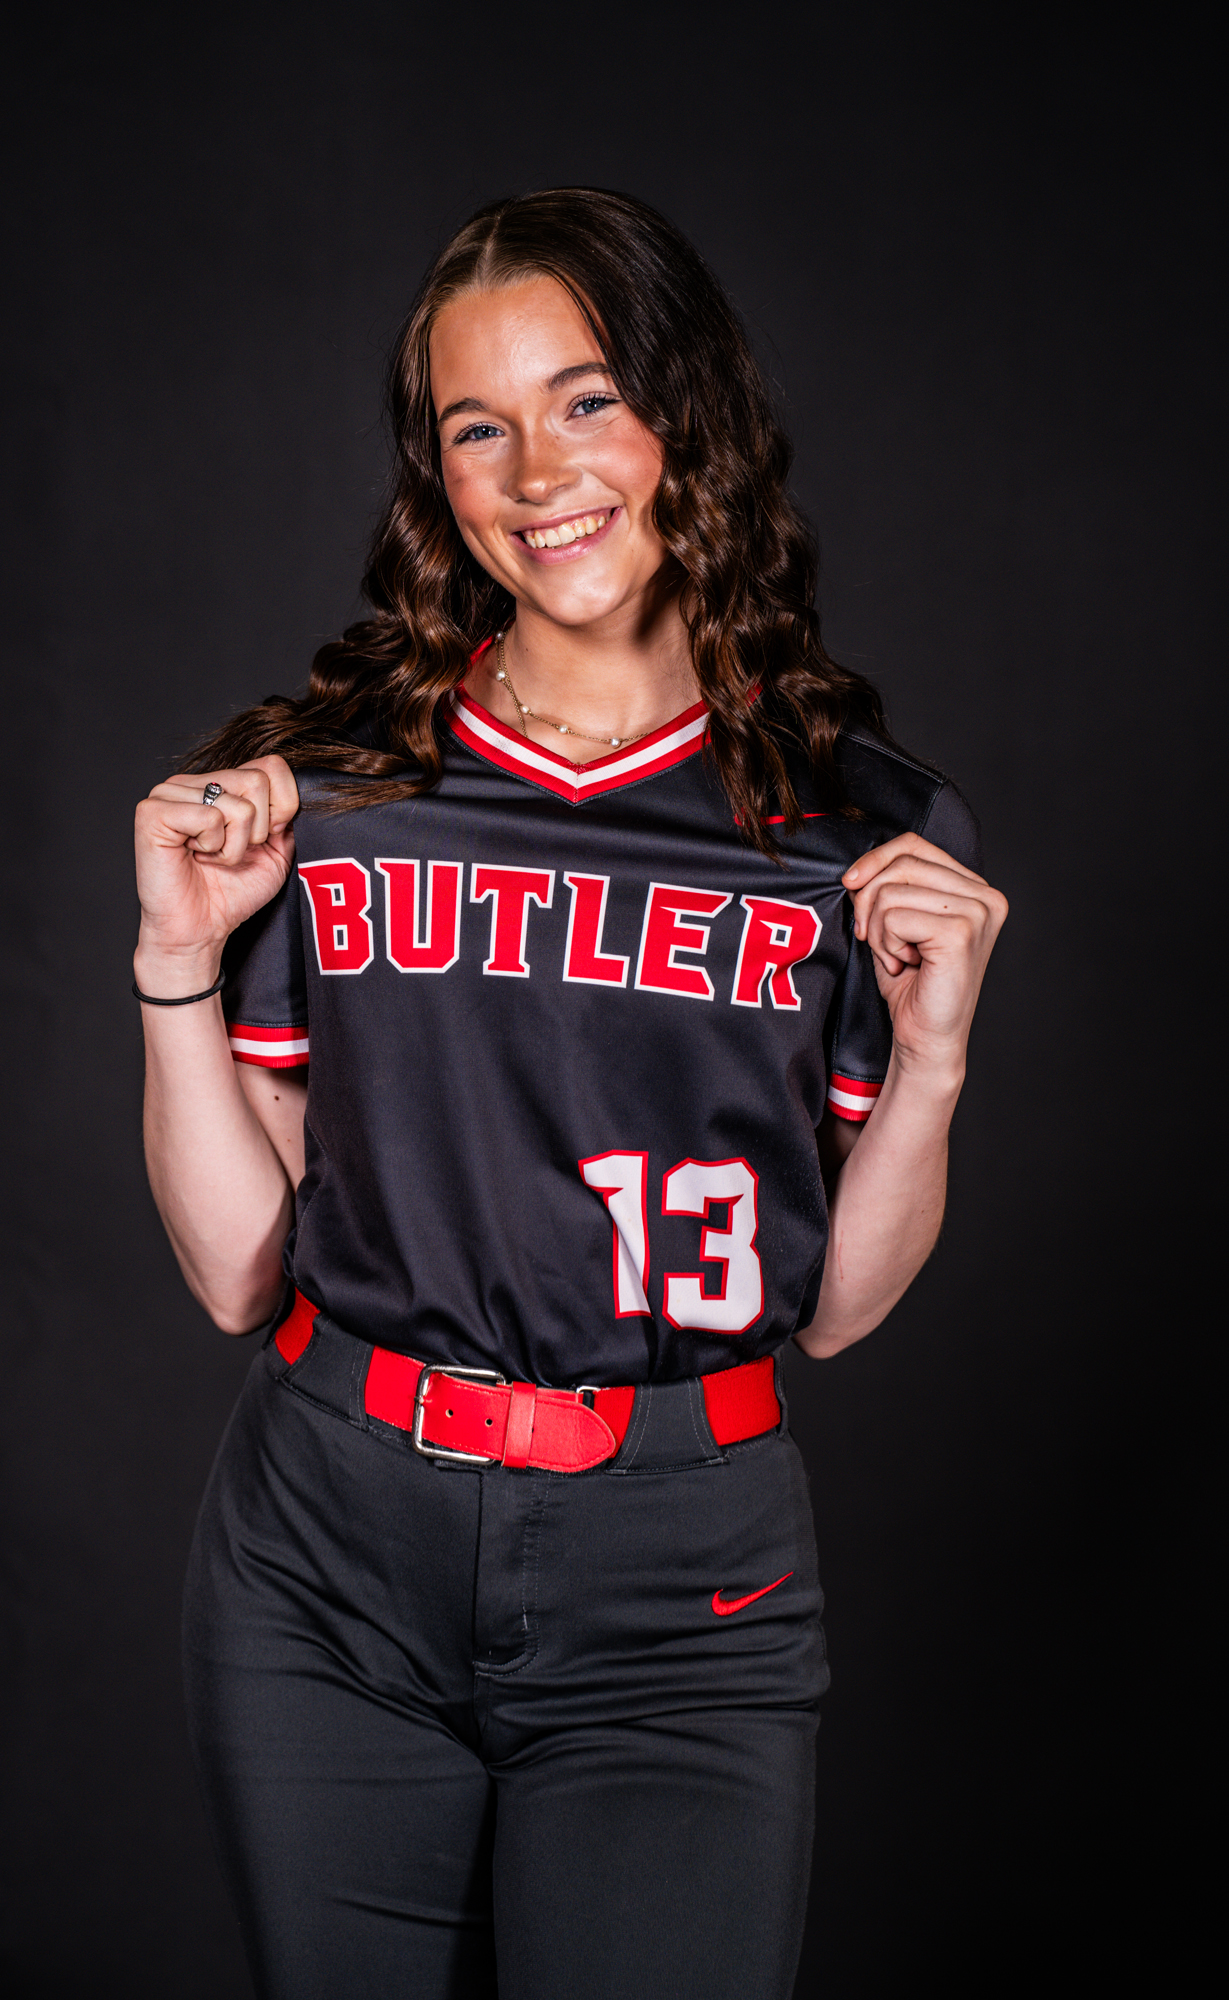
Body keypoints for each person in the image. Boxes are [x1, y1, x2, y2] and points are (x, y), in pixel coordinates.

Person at [132, 188, 1006, 2000]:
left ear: (689, 413)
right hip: (326, 1551)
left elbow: (839, 1312)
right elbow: (233, 1277)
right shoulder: (333, 795)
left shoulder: (854, 827)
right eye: (478, 427)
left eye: (587, 398)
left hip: (678, 1578)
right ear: (434, 477)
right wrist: (176, 967)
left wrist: (929, 1061)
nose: (539, 471)